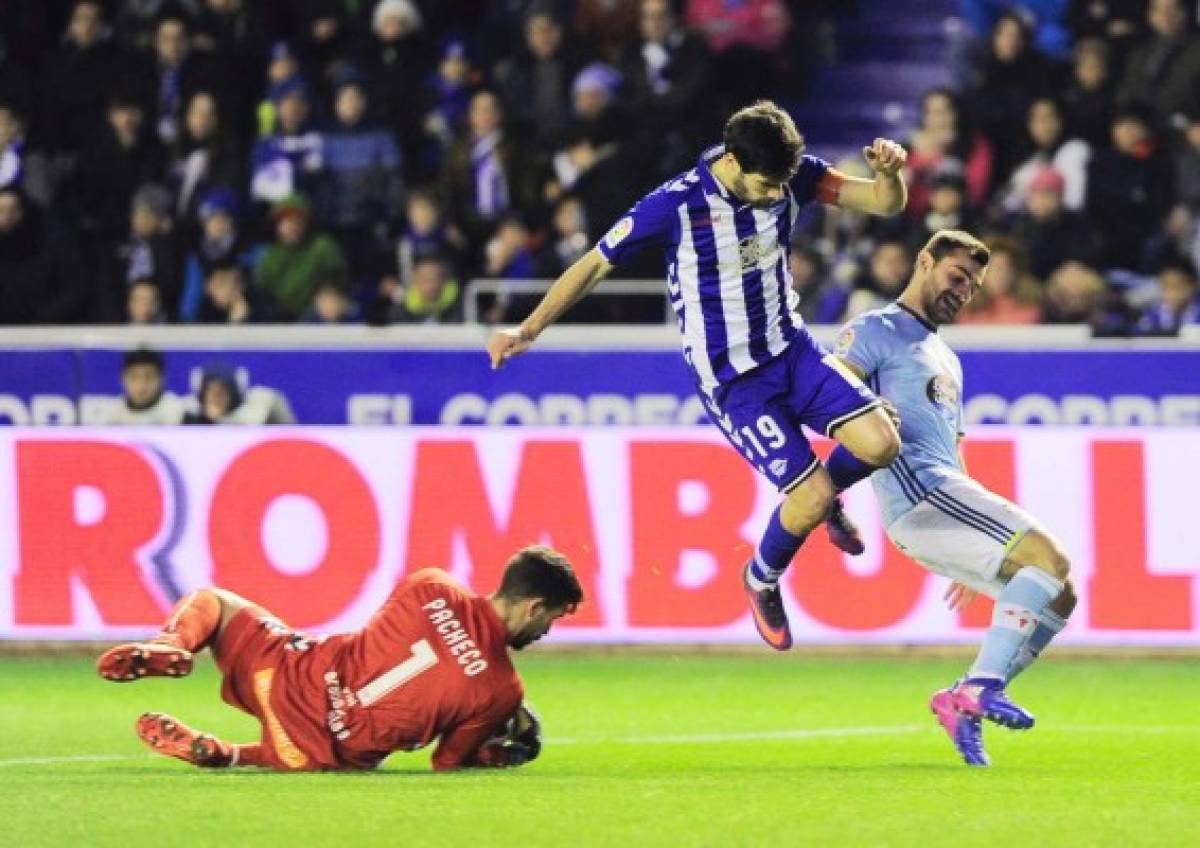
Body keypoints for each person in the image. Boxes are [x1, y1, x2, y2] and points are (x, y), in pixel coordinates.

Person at [488, 100, 906, 650]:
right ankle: (761, 579)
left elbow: (880, 203)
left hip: (793, 350)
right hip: (736, 384)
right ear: (732, 162)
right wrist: (530, 327)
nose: (776, 195)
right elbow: (594, 262)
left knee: (883, 442)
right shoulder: (676, 206)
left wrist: (890, 175)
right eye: (765, 186)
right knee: (807, 499)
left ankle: (826, 502)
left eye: (783, 184)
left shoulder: (789, 174)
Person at [834, 229, 1076, 766]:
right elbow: (831, 400)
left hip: (946, 497)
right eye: (957, 277)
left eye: (972, 285)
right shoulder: (873, 330)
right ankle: (981, 687)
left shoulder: (945, 354)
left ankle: (962, 699)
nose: (964, 291)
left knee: (1060, 593)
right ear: (924, 261)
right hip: (917, 492)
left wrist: (970, 547)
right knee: (1051, 559)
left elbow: (953, 442)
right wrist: (831, 490)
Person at [96, 545, 582, 771]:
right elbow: (447, 762)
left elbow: (413, 644)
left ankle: (172, 645)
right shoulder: (502, 691)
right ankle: (229, 754)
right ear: (533, 606)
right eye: (552, 619)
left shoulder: (431, 583)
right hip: (317, 754)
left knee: (214, 602)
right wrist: (500, 750)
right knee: (332, 750)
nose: (546, 631)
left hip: (284, 677)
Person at [103, 347, 185, 425]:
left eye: (149, 377)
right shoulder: (113, 414)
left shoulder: (178, 413)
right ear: (123, 379)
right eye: (134, 377)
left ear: (161, 379)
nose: (141, 385)